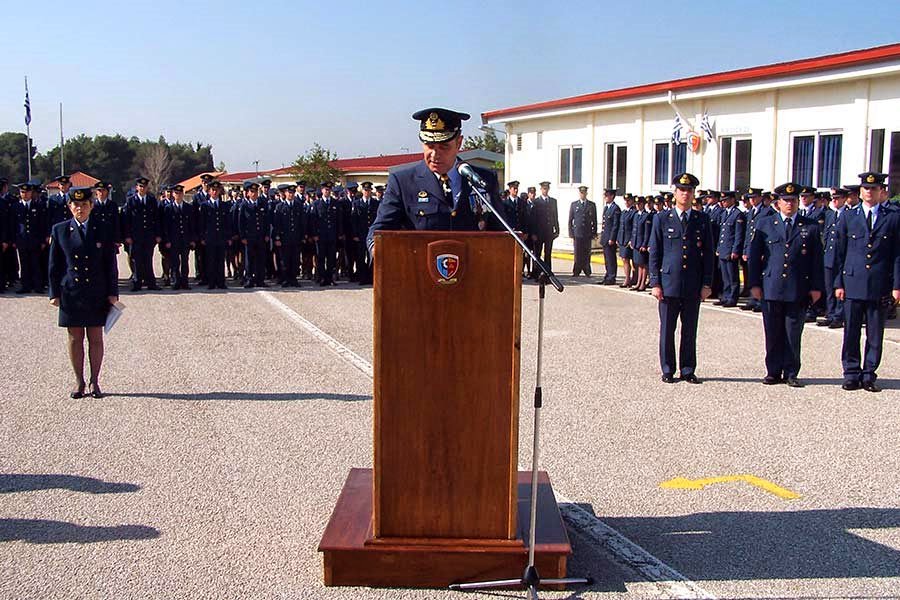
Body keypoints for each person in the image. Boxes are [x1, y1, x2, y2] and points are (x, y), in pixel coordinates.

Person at [366, 107, 499, 255]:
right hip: (418, 271)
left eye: (444, 147)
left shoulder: (482, 179)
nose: (435, 154)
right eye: (430, 146)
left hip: (474, 270)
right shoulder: (402, 182)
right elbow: (379, 231)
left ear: (459, 143)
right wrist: (376, 250)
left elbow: (502, 232)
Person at [748, 183, 824, 387]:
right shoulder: (765, 223)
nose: (789, 204)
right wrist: (754, 284)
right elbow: (754, 257)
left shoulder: (811, 226)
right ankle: (773, 371)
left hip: (798, 287)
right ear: (777, 203)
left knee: (793, 332)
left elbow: (817, 260)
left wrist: (817, 287)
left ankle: (791, 371)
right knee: (772, 331)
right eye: (785, 200)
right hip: (771, 285)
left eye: (793, 200)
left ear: (798, 202)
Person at [48, 187, 119, 399]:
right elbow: (54, 265)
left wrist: (113, 292)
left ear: (92, 205)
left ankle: (95, 381)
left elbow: (110, 264)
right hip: (72, 292)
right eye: (76, 205)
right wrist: (54, 292)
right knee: (74, 338)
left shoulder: (103, 228)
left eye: (85, 205)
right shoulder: (60, 230)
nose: (80, 208)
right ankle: (79, 382)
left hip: (96, 290)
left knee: (95, 337)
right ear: (70, 207)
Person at [834, 172, 900, 393]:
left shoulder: (893, 217)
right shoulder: (848, 217)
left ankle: (869, 374)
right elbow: (839, 254)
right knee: (851, 330)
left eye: (874, 189)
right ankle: (851, 373)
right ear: (860, 192)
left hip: (879, 283)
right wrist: (838, 283)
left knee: (875, 333)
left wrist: (896, 286)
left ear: (882, 191)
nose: (870, 192)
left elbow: (897, 254)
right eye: (866, 189)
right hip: (852, 281)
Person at [648, 173, 714, 383]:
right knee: (667, 330)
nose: (685, 194)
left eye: (689, 191)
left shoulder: (702, 219)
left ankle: (687, 369)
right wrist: (655, 283)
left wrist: (706, 283)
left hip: (692, 284)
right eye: (682, 190)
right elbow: (655, 252)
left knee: (689, 330)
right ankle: (668, 369)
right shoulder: (661, 218)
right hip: (668, 284)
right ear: (675, 193)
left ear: (693, 194)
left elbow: (709, 255)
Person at [121, 176, 162, 291]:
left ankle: (151, 283)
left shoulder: (151, 200)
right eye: (140, 186)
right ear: (137, 187)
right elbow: (127, 219)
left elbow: (156, 218)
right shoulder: (131, 201)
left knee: (148, 259)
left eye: (144, 187)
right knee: (137, 260)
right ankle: (137, 283)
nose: (142, 188)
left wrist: (158, 234)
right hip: (136, 236)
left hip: (149, 235)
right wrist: (127, 235)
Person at [12, 180, 49, 294]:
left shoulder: (38, 206)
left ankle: (38, 286)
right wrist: (13, 240)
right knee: (24, 264)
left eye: (27, 192)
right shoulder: (16, 207)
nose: (25, 194)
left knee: (36, 263)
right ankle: (25, 286)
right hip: (22, 240)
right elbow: (12, 224)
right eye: (22, 192)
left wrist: (43, 240)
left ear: (31, 192)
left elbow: (42, 224)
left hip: (35, 240)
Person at [198, 180, 233, 289]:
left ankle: (221, 282)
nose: (214, 192)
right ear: (209, 191)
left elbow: (227, 222)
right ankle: (212, 282)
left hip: (221, 237)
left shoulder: (224, 205)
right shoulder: (204, 206)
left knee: (220, 260)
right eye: (212, 190)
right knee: (211, 260)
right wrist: (202, 237)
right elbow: (201, 223)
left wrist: (228, 237)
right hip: (210, 237)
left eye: (216, 190)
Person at [161, 184, 196, 290]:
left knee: (185, 262)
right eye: (176, 193)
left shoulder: (188, 208)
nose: (178, 195)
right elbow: (165, 226)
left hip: (185, 240)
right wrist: (166, 240)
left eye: (180, 193)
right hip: (173, 240)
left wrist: (192, 240)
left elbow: (191, 225)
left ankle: (185, 282)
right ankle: (176, 281)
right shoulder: (168, 208)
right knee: (175, 262)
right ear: (173, 194)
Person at [715, 191, 746, 307]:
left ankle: (733, 297)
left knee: (732, 276)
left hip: (730, 250)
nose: (723, 203)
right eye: (722, 201)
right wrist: (718, 247)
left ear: (733, 200)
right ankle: (725, 296)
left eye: (725, 200)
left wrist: (735, 250)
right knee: (725, 276)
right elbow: (722, 233)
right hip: (723, 249)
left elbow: (739, 235)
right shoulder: (724, 214)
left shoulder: (738, 214)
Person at [237, 181, 270, 288]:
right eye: (252, 191)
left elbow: (266, 221)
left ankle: (260, 279)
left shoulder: (262, 204)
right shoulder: (244, 205)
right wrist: (243, 236)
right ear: (248, 193)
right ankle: (249, 279)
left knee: (261, 259)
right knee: (249, 260)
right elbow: (240, 222)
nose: (254, 194)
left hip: (260, 236)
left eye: (256, 191)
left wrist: (266, 234)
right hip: (249, 237)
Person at [273, 183, 307, 287]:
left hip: (295, 238)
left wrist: (303, 236)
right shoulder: (280, 207)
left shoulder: (298, 206)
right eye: (289, 193)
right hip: (284, 238)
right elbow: (276, 224)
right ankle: (285, 279)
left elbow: (302, 222)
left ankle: (293, 279)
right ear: (285, 193)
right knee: (285, 260)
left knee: (295, 259)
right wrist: (277, 237)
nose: (291, 195)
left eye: (292, 193)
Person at [311, 181, 342, 286]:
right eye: (325, 189)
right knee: (321, 258)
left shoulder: (335, 203)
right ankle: (322, 278)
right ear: (322, 190)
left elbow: (339, 220)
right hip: (321, 236)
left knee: (331, 258)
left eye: (329, 190)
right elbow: (313, 220)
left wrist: (339, 233)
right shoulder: (316, 204)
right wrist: (314, 234)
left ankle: (330, 278)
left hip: (332, 235)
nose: (327, 191)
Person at [529, 181, 559, 278]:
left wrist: (557, 229)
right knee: (537, 253)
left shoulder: (553, 201)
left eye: (546, 188)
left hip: (549, 232)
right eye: (543, 189)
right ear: (541, 190)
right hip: (539, 232)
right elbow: (533, 219)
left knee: (548, 253)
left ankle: (548, 273)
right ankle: (537, 272)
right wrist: (533, 233)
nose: (545, 190)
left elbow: (555, 216)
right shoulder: (536, 202)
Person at [568, 185, 597, 276]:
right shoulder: (574, 204)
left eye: (584, 193)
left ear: (586, 193)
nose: (582, 194)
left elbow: (594, 220)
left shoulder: (591, 205)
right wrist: (571, 232)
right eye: (581, 193)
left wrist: (594, 232)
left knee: (587, 252)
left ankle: (587, 269)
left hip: (587, 232)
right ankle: (576, 270)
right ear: (579, 193)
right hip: (577, 232)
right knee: (577, 253)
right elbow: (570, 220)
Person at [598, 188, 620, 284]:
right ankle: (607, 275)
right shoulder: (607, 207)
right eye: (605, 195)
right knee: (607, 259)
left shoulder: (615, 209)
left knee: (611, 259)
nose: (605, 197)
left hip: (610, 238)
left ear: (611, 196)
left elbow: (615, 225)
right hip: (605, 237)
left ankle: (611, 277)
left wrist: (612, 238)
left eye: (607, 196)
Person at [617, 193, 636, 287]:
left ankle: (630, 279)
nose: (627, 202)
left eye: (628, 200)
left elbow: (634, 228)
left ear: (632, 201)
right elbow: (620, 227)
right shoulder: (624, 212)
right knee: (624, 259)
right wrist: (618, 238)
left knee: (631, 260)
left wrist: (631, 240)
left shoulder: (634, 212)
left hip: (629, 239)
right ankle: (628, 278)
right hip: (622, 239)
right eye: (625, 201)